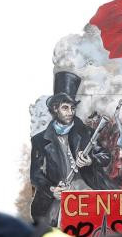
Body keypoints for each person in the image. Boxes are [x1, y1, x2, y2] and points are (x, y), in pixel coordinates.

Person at [29, 70, 111, 224]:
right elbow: (36, 175)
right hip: (58, 199)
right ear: (55, 109)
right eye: (65, 108)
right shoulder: (39, 140)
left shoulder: (86, 132)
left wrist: (90, 160)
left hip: (88, 192)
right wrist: (53, 190)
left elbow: (106, 156)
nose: (71, 112)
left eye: (73, 108)